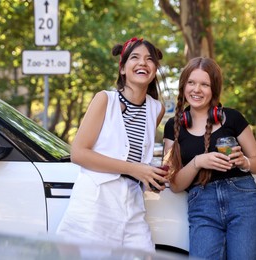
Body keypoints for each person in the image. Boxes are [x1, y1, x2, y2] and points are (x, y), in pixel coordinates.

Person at [56, 37, 168, 252]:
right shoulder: (105, 100)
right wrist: (135, 169)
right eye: (135, 58)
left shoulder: (156, 109)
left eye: (149, 59)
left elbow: (138, 157)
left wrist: (151, 175)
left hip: (133, 203)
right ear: (123, 68)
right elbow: (78, 154)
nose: (143, 63)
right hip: (97, 203)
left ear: (154, 69)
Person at [163, 57, 256, 259]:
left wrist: (245, 162)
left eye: (205, 84)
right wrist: (197, 162)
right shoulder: (173, 127)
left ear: (214, 90)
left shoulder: (233, 118)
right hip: (201, 204)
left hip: (243, 200)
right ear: (183, 86)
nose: (197, 89)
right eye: (191, 83)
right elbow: (174, 184)